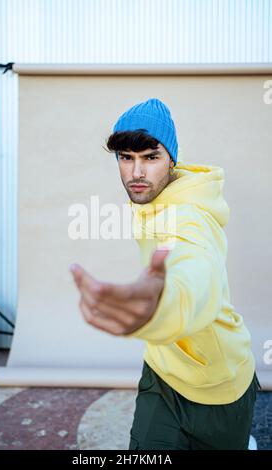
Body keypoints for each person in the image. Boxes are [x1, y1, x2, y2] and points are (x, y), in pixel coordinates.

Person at [70, 98, 260, 450]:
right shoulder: (148, 199)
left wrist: (162, 307)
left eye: (150, 157)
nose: (136, 172)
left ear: (173, 159)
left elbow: (194, 268)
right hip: (161, 369)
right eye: (126, 158)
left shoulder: (192, 217)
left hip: (219, 383)